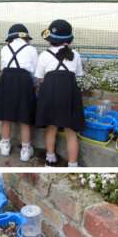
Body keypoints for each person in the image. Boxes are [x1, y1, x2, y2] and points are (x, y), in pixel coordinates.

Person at [35, 19, 85, 167]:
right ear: (69, 40)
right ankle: (73, 164)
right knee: (71, 131)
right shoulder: (75, 55)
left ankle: (50, 159)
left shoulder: (44, 55)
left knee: (51, 127)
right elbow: (78, 74)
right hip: (70, 94)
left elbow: (40, 78)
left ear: (50, 40)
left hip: (50, 93)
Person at [0, 24, 38, 162]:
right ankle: (25, 150)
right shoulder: (31, 49)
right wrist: (35, 86)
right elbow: (35, 73)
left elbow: (3, 68)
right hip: (24, 81)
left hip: (6, 80)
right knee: (25, 117)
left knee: (6, 116)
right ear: (26, 37)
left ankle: (5, 145)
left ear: (10, 38)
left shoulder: (5, 49)